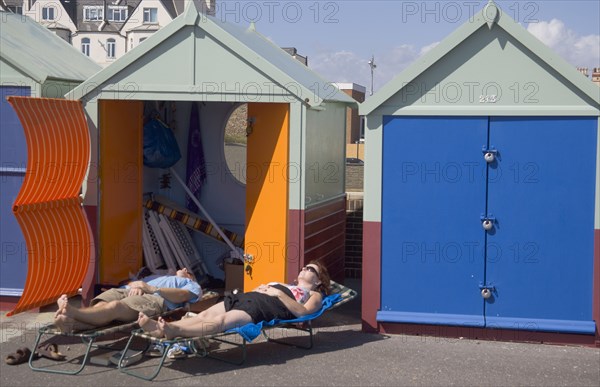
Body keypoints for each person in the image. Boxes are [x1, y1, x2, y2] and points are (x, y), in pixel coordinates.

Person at [138, 261, 331, 340]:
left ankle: (173, 330)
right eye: (305, 267)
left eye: (311, 269)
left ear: (319, 280)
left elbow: (304, 313)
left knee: (220, 322)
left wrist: (277, 294)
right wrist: (264, 289)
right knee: (204, 314)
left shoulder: (315, 295)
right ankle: (159, 329)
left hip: (266, 306)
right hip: (249, 297)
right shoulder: (286, 283)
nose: (305, 269)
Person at [54, 268, 202, 333]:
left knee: (115, 307)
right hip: (127, 290)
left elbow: (183, 296)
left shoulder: (192, 285)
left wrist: (149, 288)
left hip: (154, 298)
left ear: (190, 277)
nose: (183, 269)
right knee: (102, 304)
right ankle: (70, 324)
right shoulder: (159, 277)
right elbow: (133, 282)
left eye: (187, 271)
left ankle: (72, 312)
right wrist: (136, 285)